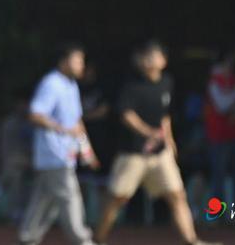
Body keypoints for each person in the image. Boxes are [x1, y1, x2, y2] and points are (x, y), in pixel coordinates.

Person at [92, 40, 217, 245]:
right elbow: (126, 115)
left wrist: (170, 140)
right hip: (132, 155)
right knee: (117, 199)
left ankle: (192, 240)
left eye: (153, 56)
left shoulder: (166, 82)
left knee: (177, 195)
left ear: (163, 61)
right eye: (145, 56)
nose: (148, 60)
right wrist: (148, 132)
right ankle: (98, 240)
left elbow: (164, 115)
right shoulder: (131, 86)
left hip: (160, 153)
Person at [18, 44, 98, 245]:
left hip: (65, 153)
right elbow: (36, 114)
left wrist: (87, 151)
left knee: (45, 201)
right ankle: (83, 240)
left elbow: (76, 121)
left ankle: (27, 238)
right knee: (70, 197)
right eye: (77, 60)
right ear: (63, 61)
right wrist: (61, 129)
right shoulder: (51, 83)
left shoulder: (71, 85)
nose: (81, 65)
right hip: (54, 154)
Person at [203, 48, 235, 203]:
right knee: (219, 177)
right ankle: (217, 217)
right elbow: (222, 106)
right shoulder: (214, 81)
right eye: (229, 63)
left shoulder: (233, 80)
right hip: (218, 136)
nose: (231, 67)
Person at [0, 88, 34, 222]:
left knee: (11, 175)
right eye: (22, 104)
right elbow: (6, 151)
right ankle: (15, 212)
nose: (25, 107)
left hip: (32, 163)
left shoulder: (32, 123)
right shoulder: (10, 124)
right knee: (15, 175)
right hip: (14, 163)